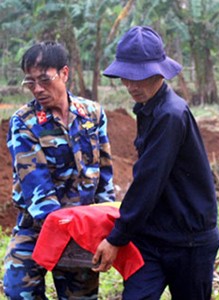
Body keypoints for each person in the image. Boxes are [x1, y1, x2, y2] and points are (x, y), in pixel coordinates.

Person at [92, 26, 219, 299]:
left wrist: (117, 237)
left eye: (140, 77)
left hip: (189, 241)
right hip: (152, 238)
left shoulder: (170, 115)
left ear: (159, 71)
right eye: (126, 77)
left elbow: (149, 180)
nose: (131, 85)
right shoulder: (147, 108)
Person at [3, 41, 115, 299]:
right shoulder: (24, 122)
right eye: (30, 82)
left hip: (84, 226)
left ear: (65, 73)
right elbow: (37, 187)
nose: (38, 89)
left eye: (44, 79)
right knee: (18, 289)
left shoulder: (92, 114)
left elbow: (105, 175)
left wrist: (103, 226)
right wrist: (63, 232)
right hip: (37, 226)